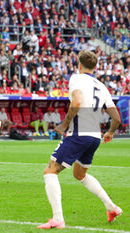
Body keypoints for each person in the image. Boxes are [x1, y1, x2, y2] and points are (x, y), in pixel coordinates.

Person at [38, 51, 122, 229]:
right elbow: (116, 119)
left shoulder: (76, 79)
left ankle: (58, 219)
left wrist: (64, 124)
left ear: (79, 65)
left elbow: (76, 102)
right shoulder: (102, 86)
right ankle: (112, 207)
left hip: (79, 134)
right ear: (95, 67)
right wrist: (111, 132)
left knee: (50, 171)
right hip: (95, 137)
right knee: (79, 174)